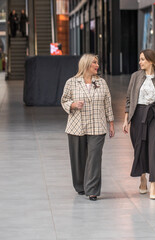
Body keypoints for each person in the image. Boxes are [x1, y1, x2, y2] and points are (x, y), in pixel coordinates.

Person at [61, 54, 115, 201]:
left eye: (97, 62)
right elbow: (64, 100)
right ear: (85, 65)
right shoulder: (71, 82)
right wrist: (72, 105)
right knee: (78, 159)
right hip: (76, 126)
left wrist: (111, 122)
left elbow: (107, 103)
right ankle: (80, 185)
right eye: (94, 63)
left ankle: (92, 190)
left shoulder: (102, 83)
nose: (97, 65)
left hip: (97, 126)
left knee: (94, 157)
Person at [123, 49, 155, 200]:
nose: (140, 62)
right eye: (140, 59)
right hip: (138, 116)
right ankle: (142, 177)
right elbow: (129, 99)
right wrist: (126, 120)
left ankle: (153, 185)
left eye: (143, 59)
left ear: (151, 61)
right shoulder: (135, 76)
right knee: (140, 148)